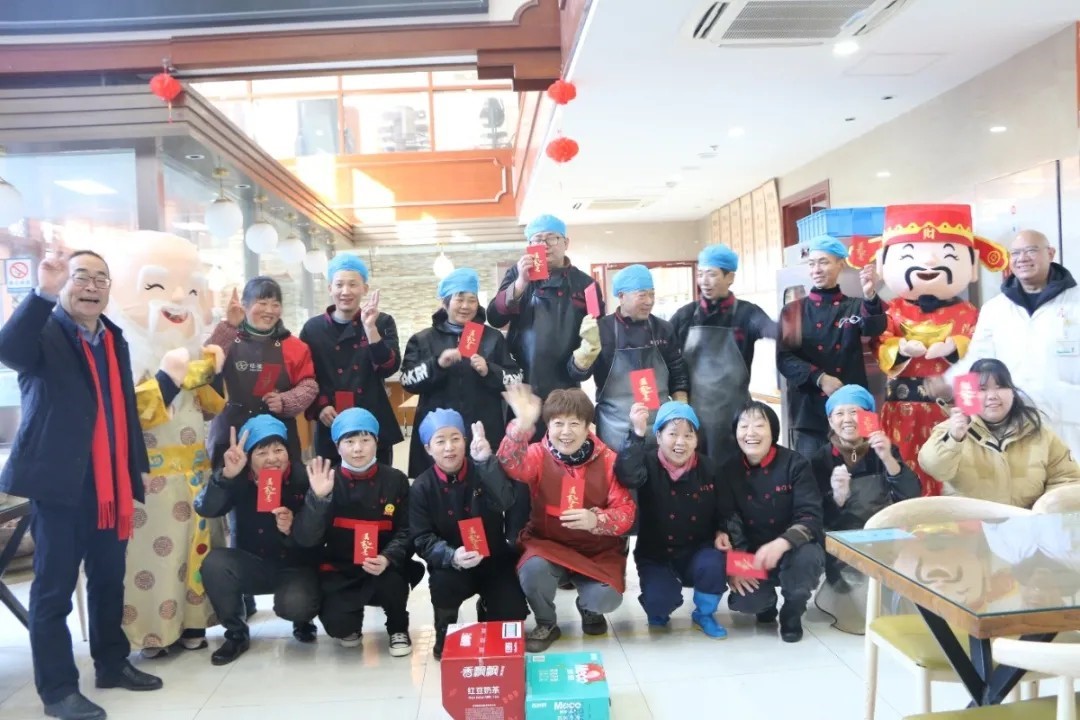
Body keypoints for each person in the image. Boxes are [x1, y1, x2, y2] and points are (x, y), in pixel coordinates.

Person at [0, 249, 161, 720]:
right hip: (59, 483)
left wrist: (137, 464)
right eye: (81, 277)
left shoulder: (112, 337)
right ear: (64, 284)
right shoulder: (45, 331)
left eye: (100, 279)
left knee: (110, 579)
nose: (91, 287)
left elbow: (123, 406)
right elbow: (9, 351)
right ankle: (58, 691)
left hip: (110, 483)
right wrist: (41, 294)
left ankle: (111, 663)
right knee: (54, 590)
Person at [106, 231, 229, 660]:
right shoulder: (123, 355)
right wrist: (166, 378)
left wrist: (211, 371)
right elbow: (130, 413)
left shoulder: (188, 353)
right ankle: (154, 632)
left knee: (197, 551)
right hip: (150, 481)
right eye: (157, 286)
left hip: (195, 476)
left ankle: (194, 622)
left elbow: (210, 407)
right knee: (154, 559)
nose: (178, 298)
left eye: (191, 290)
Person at [845, 204, 1010, 495]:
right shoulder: (892, 310)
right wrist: (901, 348)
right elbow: (879, 343)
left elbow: (981, 356)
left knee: (959, 470)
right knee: (904, 469)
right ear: (883, 263)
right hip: (902, 406)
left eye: (948, 255)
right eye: (909, 255)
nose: (930, 263)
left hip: (956, 405)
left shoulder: (971, 313)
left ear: (972, 265)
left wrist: (955, 347)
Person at [495, 386, 636, 652]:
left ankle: (588, 608)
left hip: (596, 551)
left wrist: (597, 520)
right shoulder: (538, 455)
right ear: (548, 426)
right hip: (548, 544)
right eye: (558, 423)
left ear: (588, 427)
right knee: (532, 571)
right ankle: (546, 622)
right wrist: (521, 425)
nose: (566, 432)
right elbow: (509, 463)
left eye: (574, 424)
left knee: (607, 598)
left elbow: (627, 513)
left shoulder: (608, 460)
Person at [194, 416, 322, 665]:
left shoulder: (305, 478)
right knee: (216, 563)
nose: (272, 458)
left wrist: (294, 527)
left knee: (297, 603)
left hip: (294, 565)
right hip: (252, 562)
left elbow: (319, 534)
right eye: (262, 452)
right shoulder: (237, 477)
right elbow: (206, 508)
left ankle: (303, 620)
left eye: (278, 450)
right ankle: (236, 634)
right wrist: (225, 476)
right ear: (248, 457)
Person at [292, 408, 420, 657]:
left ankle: (397, 626)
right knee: (340, 628)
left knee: (393, 581)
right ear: (337, 446)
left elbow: (407, 530)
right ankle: (350, 620)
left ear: (376, 442)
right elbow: (306, 538)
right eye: (349, 442)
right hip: (341, 568)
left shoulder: (395, 480)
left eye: (365, 440)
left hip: (383, 567)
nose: (358, 449)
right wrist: (318, 499)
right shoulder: (325, 480)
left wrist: (387, 557)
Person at [408, 409, 529, 658]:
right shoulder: (422, 487)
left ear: (465, 441)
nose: (449, 447)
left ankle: (487, 605)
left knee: (512, 613)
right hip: (453, 564)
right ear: (428, 448)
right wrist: (452, 555)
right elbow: (422, 538)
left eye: (455, 439)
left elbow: (506, 501)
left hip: (494, 558)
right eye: (440, 441)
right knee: (442, 584)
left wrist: (486, 463)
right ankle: (444, 628)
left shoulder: (481, 468)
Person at [947, 229, 1079, 457]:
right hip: (1014, 423)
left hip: (1070, 421)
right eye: (1015, 253)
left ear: (1050, 253)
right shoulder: (995, 309)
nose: (1022, 258)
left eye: (1031, 250)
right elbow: (976, 362)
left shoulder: (1076, 301)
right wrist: (966, 409)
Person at [614, 401, 733, 639]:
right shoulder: (646, 463)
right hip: (657, 552)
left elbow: (725, 509)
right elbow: (627, 475)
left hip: (697, 548)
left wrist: (723, 530)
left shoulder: (709, 468)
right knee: (659, 605)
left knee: (713, 564)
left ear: (696, 440)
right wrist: (637, 433)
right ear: (658, 436)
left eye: (688, 435)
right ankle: (658, 605)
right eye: (672, 434)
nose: (680, 442)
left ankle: (705, 614)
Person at [400, 267, 523, 478]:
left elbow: (516, 378)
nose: (466, 306)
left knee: (486, 489)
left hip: (483, 432)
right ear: (445, 302)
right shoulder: (423, 339)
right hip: (439, 435)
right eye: (459, 299)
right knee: (439, 490)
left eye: (472, 300)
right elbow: (407, 380)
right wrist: (437, 365)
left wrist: (490, 370)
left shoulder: (493, 338)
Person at [487, 214, 600, 439]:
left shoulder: (586, 284)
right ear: (529, 245)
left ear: (565, 243)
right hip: (524, 380)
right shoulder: (516, 274)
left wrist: (582, 363)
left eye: (552, 238)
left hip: (567, 381)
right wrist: (521, 282)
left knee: (563, 441)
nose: (545, 245)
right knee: (523, 444)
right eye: (538, 239)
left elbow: (596, 333)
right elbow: (495, 318)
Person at [919, 359, 1080, 508]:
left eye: (1000, 387)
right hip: (971, 525)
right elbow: (934, 468)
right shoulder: (952, 430)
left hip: (1028, 524)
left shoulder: (1041, 433)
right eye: (982, 389)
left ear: (1013, 392)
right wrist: (954, 438)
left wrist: (1045, 510)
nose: (992, 396)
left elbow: (1067, 479)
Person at [777, 236, 885, 456]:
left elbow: (875, 329)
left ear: (840, 264)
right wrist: (820, 378)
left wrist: (870, 294)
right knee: (810, 471)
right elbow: (784, 358)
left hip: (856, 407)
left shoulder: (856, 306)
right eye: (812, 263)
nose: (816, 269)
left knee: (865, 468)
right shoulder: (792, 311)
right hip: (809, 412)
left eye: (824, 262)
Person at [725, 401, 824, 643]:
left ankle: (792, 610)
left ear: (773, 431)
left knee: (808, 557)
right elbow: (728, 520)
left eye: (759, 425)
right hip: (752, 551)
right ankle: (766, 603)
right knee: (746, 601)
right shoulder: (728, 470)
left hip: (793, 547)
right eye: (743, 426)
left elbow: (810, 516)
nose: (750, 433)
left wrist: (782, 543)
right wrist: (736, 564)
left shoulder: (796, 464)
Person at [670, 244, 777, 465]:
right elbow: (665, 354)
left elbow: (772, 330)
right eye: (701, 274)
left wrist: (788, 329)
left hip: (735, 417)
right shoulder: (685, 315)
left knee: (733, 472)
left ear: (730, 277)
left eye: (712, 274)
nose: (704, 281)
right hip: (693, 416)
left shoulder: (747, 313)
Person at [809, 385, 919, 593]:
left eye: (854, 412)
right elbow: (814, 515)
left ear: (868, 416)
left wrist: (887, 458)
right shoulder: (820, 459)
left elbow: (910, 495)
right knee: (850, 594)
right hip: (842, 540)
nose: (847, 419)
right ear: (830, 421)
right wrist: (838, 497)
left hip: (884, 536)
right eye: (839, 414)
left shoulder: (884, 448)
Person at [568, 264, 689, 450]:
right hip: (615, 427)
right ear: (621, 296)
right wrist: (586, 351)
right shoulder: (602, 329)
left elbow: (678, 374)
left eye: (652, 294)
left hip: (660, 427)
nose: (649, 301)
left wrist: (682, 412)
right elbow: (577, 374)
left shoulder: (663, 329)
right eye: (642, 295)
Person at [300, 254, 403, 465]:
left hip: (372, 420)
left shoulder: (382, 321)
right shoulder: (313, 329)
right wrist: (320, 406)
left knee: (380, 482)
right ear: (330, 288)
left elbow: (389, 367)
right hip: (331, 422)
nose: (345, 291)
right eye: (339, 285)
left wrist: (370, 328)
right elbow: (305, 376)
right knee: (332, 482)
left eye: (353, 284)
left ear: (364, 288)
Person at [206, 276, 317, 465]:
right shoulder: (227, 336)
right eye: (262, 303)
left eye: (275, 305)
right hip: (231, 434)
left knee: (280, 482)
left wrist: (286, 401)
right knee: (229, 480)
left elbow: (309, 385)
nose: (269, 310)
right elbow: (205, 368)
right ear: (244, 305)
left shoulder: (295, 346)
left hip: (278, 436)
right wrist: (229, 326)